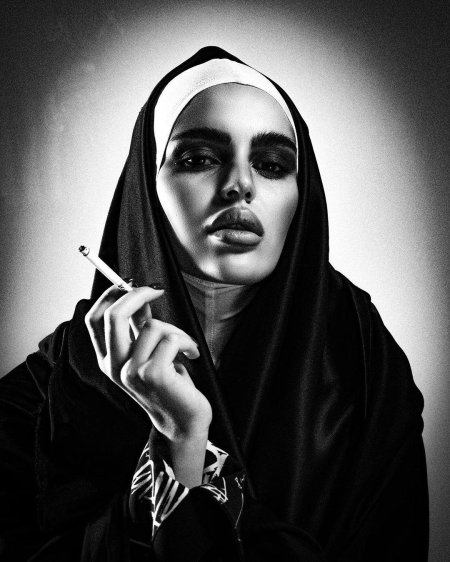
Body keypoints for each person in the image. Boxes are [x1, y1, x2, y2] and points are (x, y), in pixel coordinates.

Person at [0, 46, 428, 561]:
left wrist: (188, 459)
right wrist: (177, 444)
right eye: (199, 159)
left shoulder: (364, 367)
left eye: (271, 165)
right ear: (146, 188)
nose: (240, 185)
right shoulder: (52, 386)